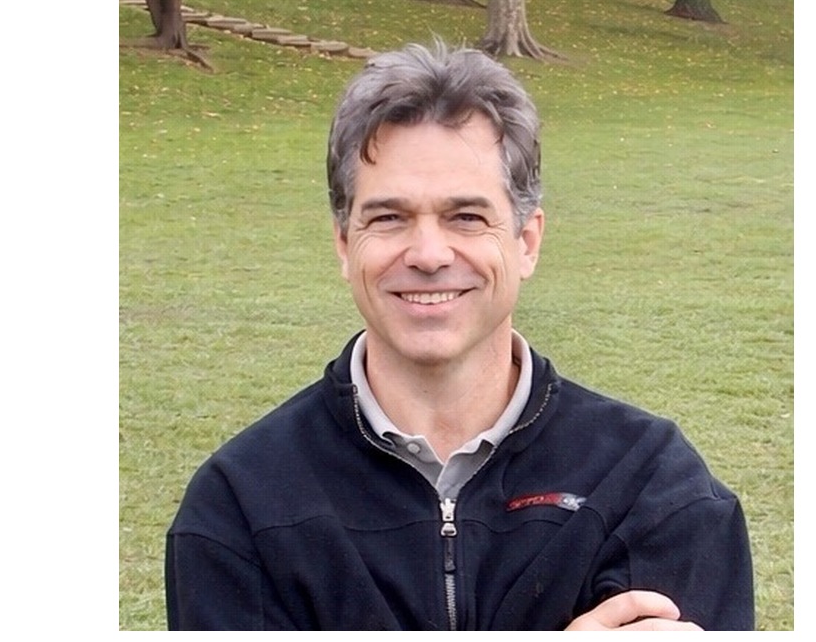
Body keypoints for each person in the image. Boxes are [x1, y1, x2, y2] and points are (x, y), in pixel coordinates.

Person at [164, 42, 754, 631]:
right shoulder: (243, 507)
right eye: (389, 218)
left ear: (526, 242)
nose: (428, 254)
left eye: (466, 217)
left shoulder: (652, 487)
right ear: (344, 244)